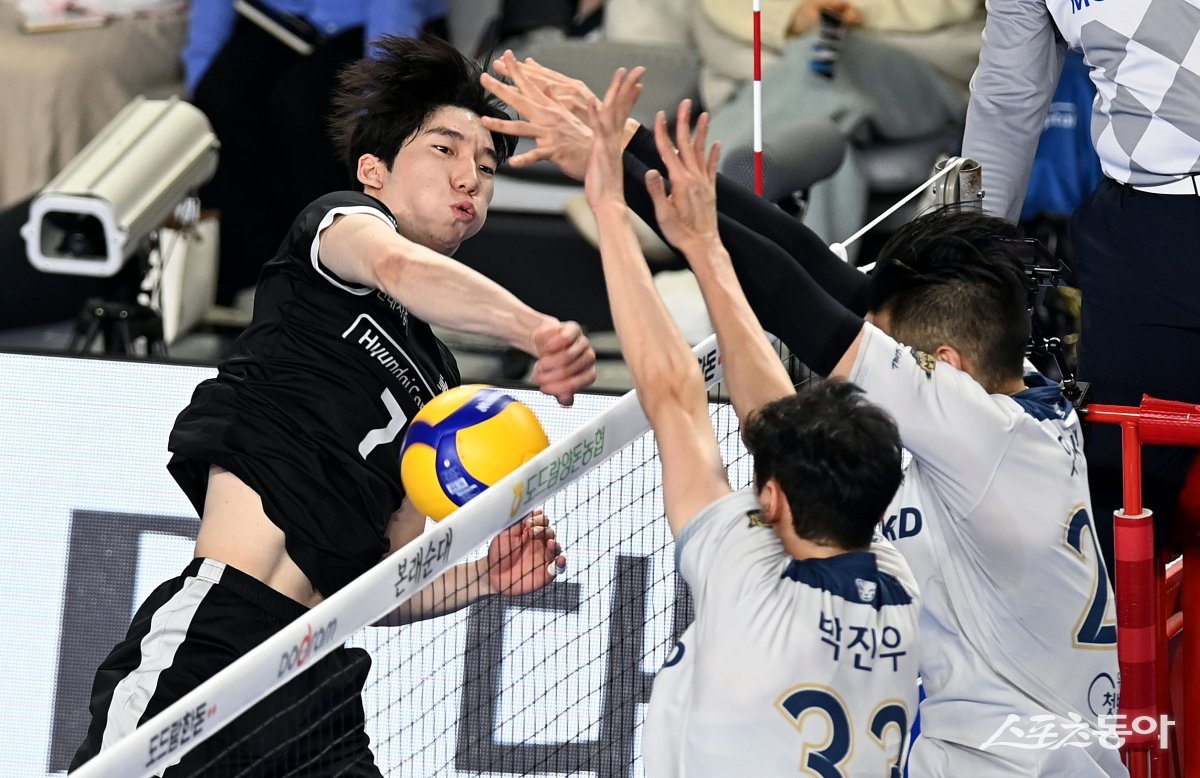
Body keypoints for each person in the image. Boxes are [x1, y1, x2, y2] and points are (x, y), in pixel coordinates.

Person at [484, 58, 1125, 775]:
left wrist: (617, 187)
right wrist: (624, 143)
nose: (868, 358)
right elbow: (820, 274)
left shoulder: (975, 436)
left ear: (944, 364)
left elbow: (799, 315)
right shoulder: (1011, 394)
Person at [70, 35, 595, 774]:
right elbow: (397, 267)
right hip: (218, 644)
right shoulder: (335, 232)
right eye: (445, 150)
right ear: (373, 171)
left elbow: (383, 579)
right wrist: (536, 329)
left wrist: (482, 579)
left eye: (486, 167)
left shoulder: (440, 385)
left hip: (320, 683)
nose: (470, 178)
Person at [583, 67, 919, 776]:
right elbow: (769, 417)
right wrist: (706, 246)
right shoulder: (900, 584)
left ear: (772, 500)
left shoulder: (746, 584)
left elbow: (673, 397)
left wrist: (610, 206)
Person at [961, 0, 1200, 572]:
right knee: (1123, 499)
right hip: (1148, 227)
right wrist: (967, 261)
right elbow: (1008, 98)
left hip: (1149, 227)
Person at [184, 0, 448, 303]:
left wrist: (378, 97)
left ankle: (324, 278)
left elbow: (394, 12)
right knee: (220, 102)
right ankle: (246, 278)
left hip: (381, 22)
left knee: (301, 111)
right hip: (278, 17)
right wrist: (201, 73)